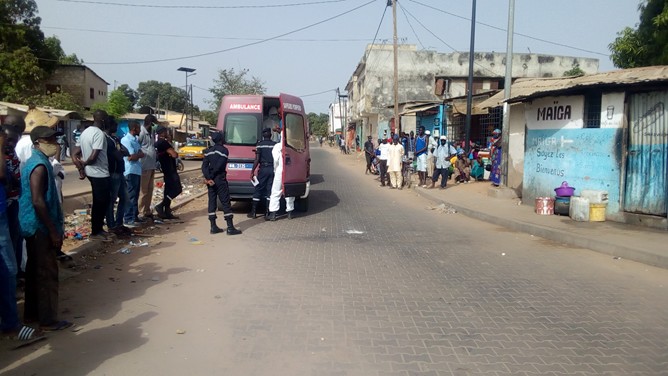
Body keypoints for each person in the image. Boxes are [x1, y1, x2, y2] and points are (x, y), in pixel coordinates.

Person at [19, 126, 73, 332]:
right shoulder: (39, 165)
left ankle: (33, 313)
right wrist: (52, 230)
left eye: (55, 139)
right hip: (39, 226)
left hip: (33, 224)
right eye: (49, 140)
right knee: (47, 272)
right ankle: (48, 320)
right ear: (37, 143)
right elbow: (38, 201)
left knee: (34, 271)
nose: (55, 143)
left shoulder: (38, 162)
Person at [0, 126, 46, 345]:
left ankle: (10, 321)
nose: (10, 144)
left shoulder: (13, 156)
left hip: (9, 208)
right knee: (8, 268)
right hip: (4, 212)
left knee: (12, 265)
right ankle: (10, 325)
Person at [76, 110, 112, 242]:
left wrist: (81, 167)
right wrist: (85, 163)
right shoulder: (98, 134)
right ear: (102, 120)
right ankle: (96, 231)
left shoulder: (85, 132)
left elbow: (76, 152)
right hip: (99, 172)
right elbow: (93, 156)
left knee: (100, 201)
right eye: (106, 119)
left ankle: (98, 229)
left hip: (92, 172)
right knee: (101, 202)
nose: (108, 121)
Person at [202, 132, 242, 234]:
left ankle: (213, 227)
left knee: (212, 201)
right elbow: (219, 166)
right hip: (219, 179)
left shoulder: (208, 151)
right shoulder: (224, 150)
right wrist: (212, 177)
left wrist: (208, 178)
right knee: (225, 201)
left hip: (210, 181)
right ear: (220, 139)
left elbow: (204, 166)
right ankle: (230, 227)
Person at [104, 116, 130, 233]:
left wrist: (120, 152)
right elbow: (119, 155)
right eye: (115, 125)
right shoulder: (106, 140)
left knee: (125, 198)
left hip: (120, 172)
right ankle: (111, 225)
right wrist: (120, 152)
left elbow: (126, 152)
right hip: (112, 172)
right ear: (110, 126)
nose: (117, 127)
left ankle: (119, 223)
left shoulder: (115, 139)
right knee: (111, 200)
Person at [154, 126, 181, 220]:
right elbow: (174, 154)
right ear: (162, 132)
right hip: (170, 169)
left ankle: (167, 212)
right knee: (177, 189)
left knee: (168, 191)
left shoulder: (158, 143)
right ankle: (161, 205)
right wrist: (171, 147)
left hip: (166, 169)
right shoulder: (163, 142)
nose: (167, 133)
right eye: (166, 131)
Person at [248, 128, 275, 219]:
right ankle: (267, 212)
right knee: (269, 190)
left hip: (263, 169)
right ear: (270, 135)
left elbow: (257, 159)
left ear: (263, 136)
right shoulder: (275, 145)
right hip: (272, 169)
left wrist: (252, 172)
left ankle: (254, 212)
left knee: (258, 188)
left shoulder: (259, 145)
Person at [121, 121, 144, 228]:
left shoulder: (135, 140)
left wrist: (138, 154)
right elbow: (130, 157)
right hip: (129, 170)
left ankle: (134, 216)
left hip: (137, 170)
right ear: (134, 128)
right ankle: (128, 218)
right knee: (130, 195)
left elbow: (140, 154)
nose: (140, 130)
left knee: (135, 195)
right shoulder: (126, 140)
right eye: (139, 128)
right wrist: (138, 155)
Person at [267, 140, 295, 221]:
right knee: (289, 191)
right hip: (290, 171)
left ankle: (273, 214)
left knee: (275, 191)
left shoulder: (277, 147)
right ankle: (289, 212)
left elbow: (275, 160)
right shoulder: (293, 146)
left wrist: (275, 170)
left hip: (279, 170)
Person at [138, 114, 158, 220]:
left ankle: (147, 210)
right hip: (144, 166)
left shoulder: (151, 133)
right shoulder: (141, 133)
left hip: (151, 165)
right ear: (151, 123)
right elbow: (137, 147)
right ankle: (141, 211)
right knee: (143, 190)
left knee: (150, 189)